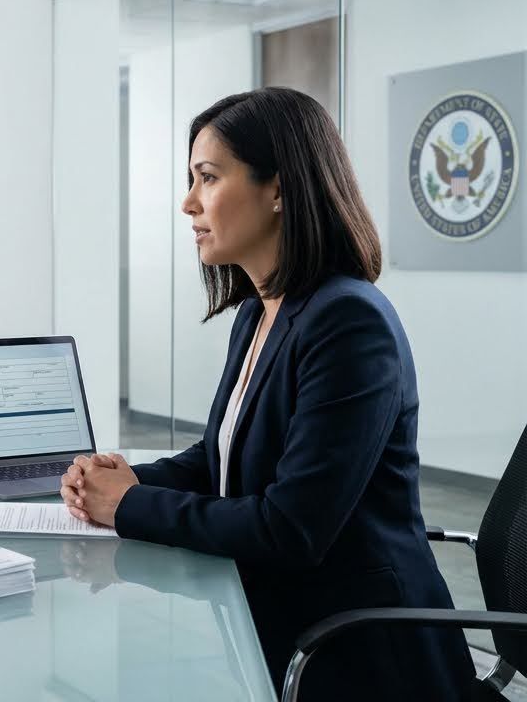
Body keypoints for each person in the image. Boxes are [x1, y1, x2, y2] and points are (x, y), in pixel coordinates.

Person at [60, 88, 475, 700]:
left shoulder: (349, 323)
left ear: (277, 189)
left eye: (208, 177)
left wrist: (126, 506)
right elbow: (218, 459)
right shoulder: (259, 313)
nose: (188, 203)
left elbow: (290, 528)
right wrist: (122, 480)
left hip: (360, 654)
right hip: (279, 629)